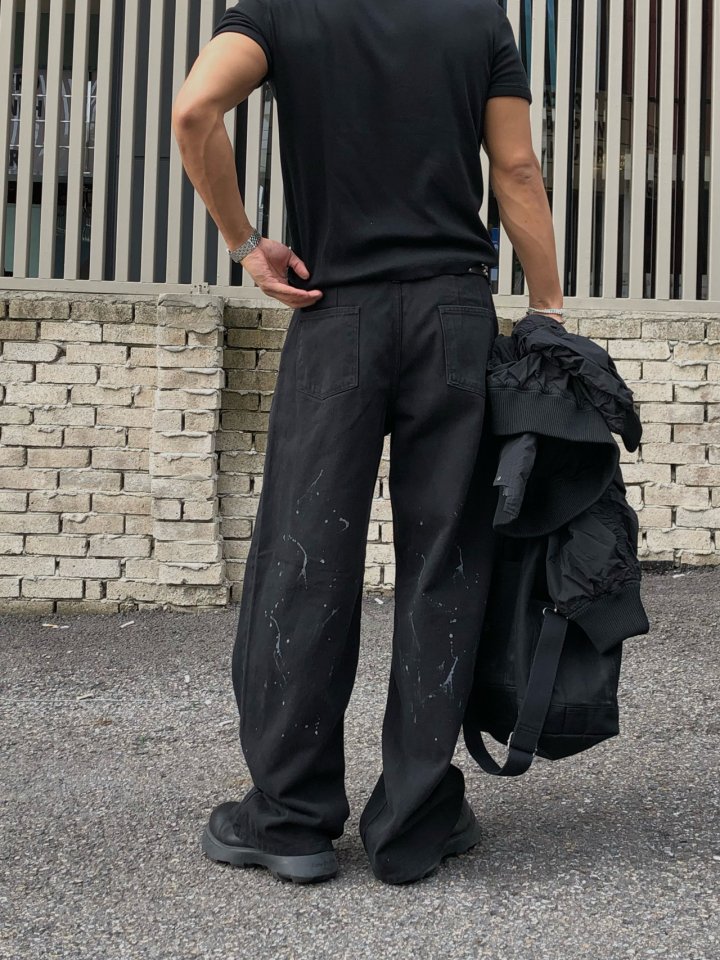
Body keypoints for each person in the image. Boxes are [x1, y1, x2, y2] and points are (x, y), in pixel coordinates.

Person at [172, 0, 564, 886]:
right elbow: (516, 168)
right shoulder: (478, 19)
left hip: (336, 310)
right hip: (453, 317)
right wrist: (547, 308)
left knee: (305, 555)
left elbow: (194, 110)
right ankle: (415, 819)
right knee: (445, 560)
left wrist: (245, 243)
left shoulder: (279, 10)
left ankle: (290, 818)